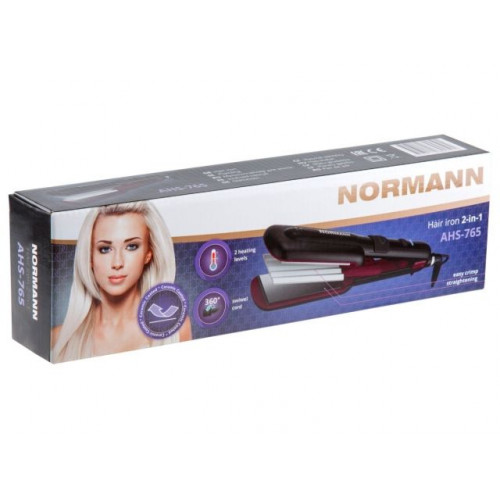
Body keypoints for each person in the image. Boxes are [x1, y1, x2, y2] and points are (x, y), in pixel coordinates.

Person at [52, 201, 191, 362]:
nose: (117, 263)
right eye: (105, 249)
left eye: (131, 246)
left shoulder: (175, 328)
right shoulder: (59, 339)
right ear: (89, 257)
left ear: (148, 254)